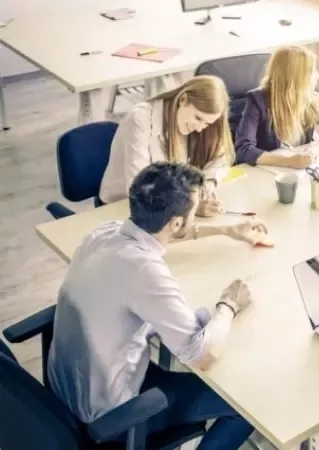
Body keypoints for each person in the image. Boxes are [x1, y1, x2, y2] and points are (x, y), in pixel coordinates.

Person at [49, 162, 272, 450]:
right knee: (250, 405)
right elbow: (202, 355)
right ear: (176, 222)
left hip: (67, 388)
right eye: (194, 210)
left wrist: (226, 229)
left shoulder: (104, 232)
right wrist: (229, 303)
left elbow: (166, 235)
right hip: (110, 415)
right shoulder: (144, 271)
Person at [99, 76, 234, 217]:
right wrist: (190, 207)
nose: (200, 128)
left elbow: (221, 159)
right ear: (183, 100)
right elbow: (140, 188)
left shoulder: (198, 126)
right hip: (122, 207)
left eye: (207, 123)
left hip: (168, 206)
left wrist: (207, 185)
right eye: (198, 118)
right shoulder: (140, 119)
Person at [235, 46, 319, 168]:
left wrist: (317, 149)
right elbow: (244, 149)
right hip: (269, 170)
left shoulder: (313, 98)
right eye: (312, 71)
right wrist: (289, 161)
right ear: (295, 77)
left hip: (301, 170)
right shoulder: (257, 101)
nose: (318, 76)